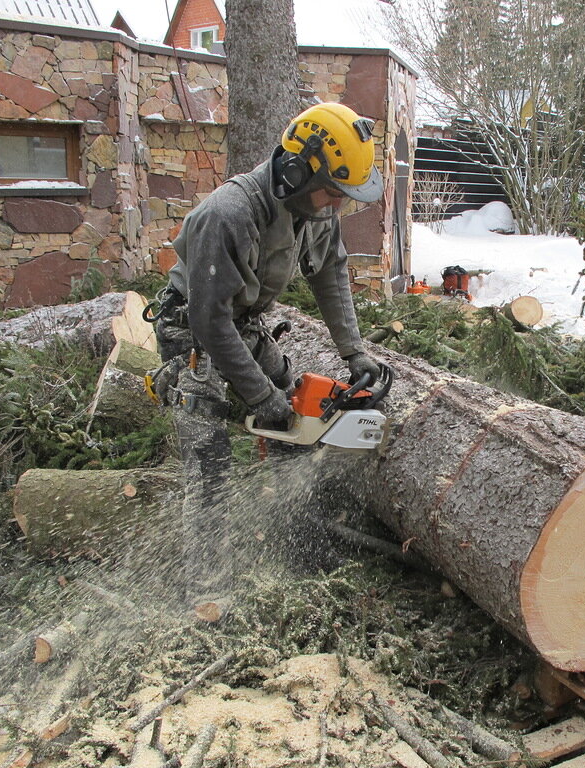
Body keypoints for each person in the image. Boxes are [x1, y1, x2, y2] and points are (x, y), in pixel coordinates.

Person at [148, 102, 384, 618]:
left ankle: (288, 538)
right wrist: (260, 397)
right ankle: (206, 592)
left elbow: (332, 272)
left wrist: (354, 351)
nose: (336, 206)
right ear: (295, 173)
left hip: (243, 322)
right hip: (193, 331)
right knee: (210, 457)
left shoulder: (316, 207)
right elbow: (211, 325)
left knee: (299, 403)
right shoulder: (229, 214)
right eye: (332, 193)